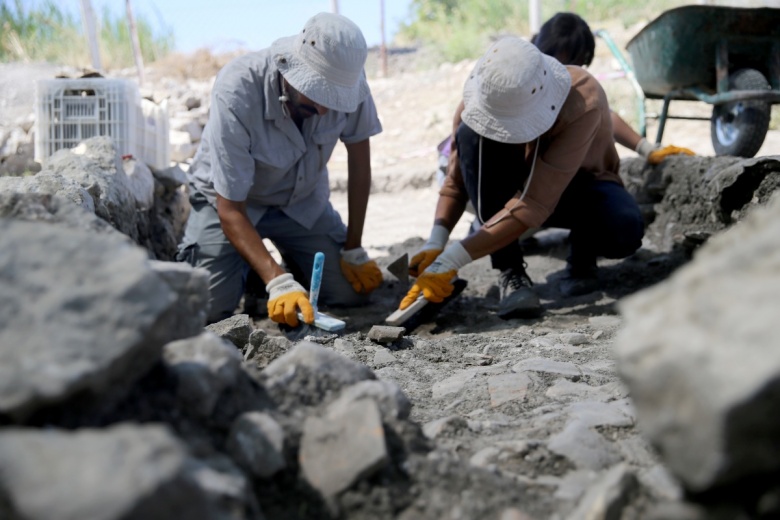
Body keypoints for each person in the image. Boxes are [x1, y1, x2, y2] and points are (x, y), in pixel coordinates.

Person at [401, 36, 645, 319]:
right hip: (517, 190)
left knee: (622, 229)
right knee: (471, 136)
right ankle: (511, 273)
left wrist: (452, 259)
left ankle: (583, 256)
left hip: (579, 189)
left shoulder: (581, 98)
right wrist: (436, 243)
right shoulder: (478, 101)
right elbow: (455, 183)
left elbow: (535, 201)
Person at [177, 12, 383, 326]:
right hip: (232, 204)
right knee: (207, 309)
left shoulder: (350, 82)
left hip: (300, 202)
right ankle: (254, 274)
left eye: (334, 99)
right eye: (318, 94)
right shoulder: (238, 89)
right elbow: (230, 208)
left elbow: (359, 165)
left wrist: (353, 247)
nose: (325, 109)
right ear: (291, 71)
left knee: (351, 293)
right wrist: (277, 281)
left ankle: (286, 264)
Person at [532, 12, 695, 164]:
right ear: (547, 51)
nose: (571, 73)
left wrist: (646, 148)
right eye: (565, 63)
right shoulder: (525, 76)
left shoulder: (576, 88)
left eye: (578, 65)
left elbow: (603, 115)